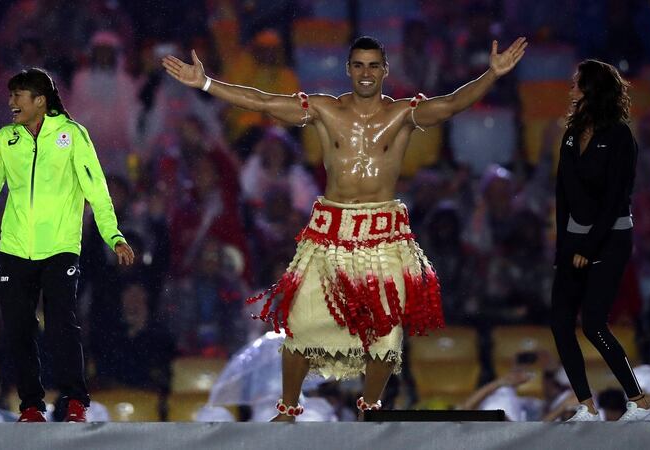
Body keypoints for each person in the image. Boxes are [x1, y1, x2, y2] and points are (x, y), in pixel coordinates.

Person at [163, 35, 527, 421]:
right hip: (332, 229)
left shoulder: (403, 113)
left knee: (386, 336)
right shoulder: (324, 110)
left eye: (374, 65)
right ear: (349, 70)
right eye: (359, 65)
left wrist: (491, 74)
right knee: (300, 324)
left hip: (382, 231)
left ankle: (369, 407)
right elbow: (265, 103)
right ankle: (287, 409)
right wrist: (206, 84)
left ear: (384, 70)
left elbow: (452, 104)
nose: (366, 73)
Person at [0, 68, 134, 422]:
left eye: (17, 96)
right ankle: (30, 406)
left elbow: (97, 191)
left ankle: (74, 400)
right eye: (10, 96)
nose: (10, 103)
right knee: (19, 329)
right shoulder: (4, 141)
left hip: (59, 246)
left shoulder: (72, 136)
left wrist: (113, 236)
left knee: (61, 324)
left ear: (40, 100)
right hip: (13, 248)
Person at [550, 59, 650, 421]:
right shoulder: (570, 132)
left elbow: (615, 199)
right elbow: (562, 194)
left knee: (593, 323)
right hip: (575, 240)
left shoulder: (619, 136)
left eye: (577, 83)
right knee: (560, 320)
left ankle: (640, 403)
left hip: (610, 237)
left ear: (593, 88)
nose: (571, 89)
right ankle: (586, 406)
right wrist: (563, 249)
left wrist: (588, 248)